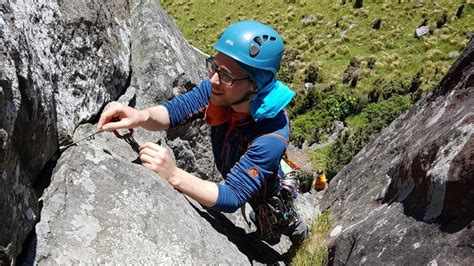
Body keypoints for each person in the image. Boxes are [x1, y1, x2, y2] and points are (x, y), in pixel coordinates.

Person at [98, 20, 308, 253]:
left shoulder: (272, 134)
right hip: (239, 173)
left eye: (226, 75)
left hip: (267, 192)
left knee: (276, 223)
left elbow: (233, 195)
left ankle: (301, 235)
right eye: (214, 66)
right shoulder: (219, 91)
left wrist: (173, 174)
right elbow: (175, 111)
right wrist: (139, 115)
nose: (214, 80)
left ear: (256, 85)